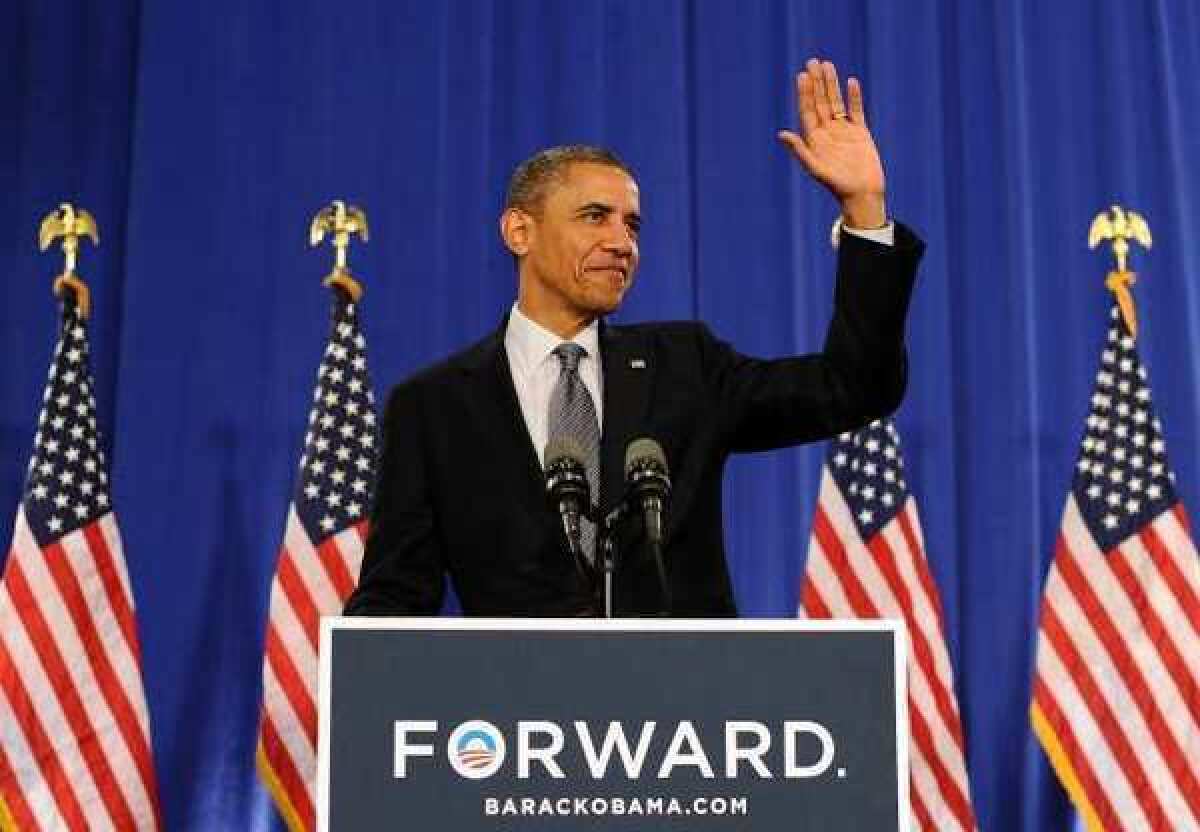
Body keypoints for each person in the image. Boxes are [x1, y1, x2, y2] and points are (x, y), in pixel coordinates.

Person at [345, 59, 924, 617]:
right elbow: (393, 602)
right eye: (595, 216)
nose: (623, 242)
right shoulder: (435, 406)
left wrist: (865, 212)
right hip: (518, 707)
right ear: (519, 229)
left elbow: (854, 387)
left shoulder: (686, 368)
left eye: (632, 224)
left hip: (684, 709)